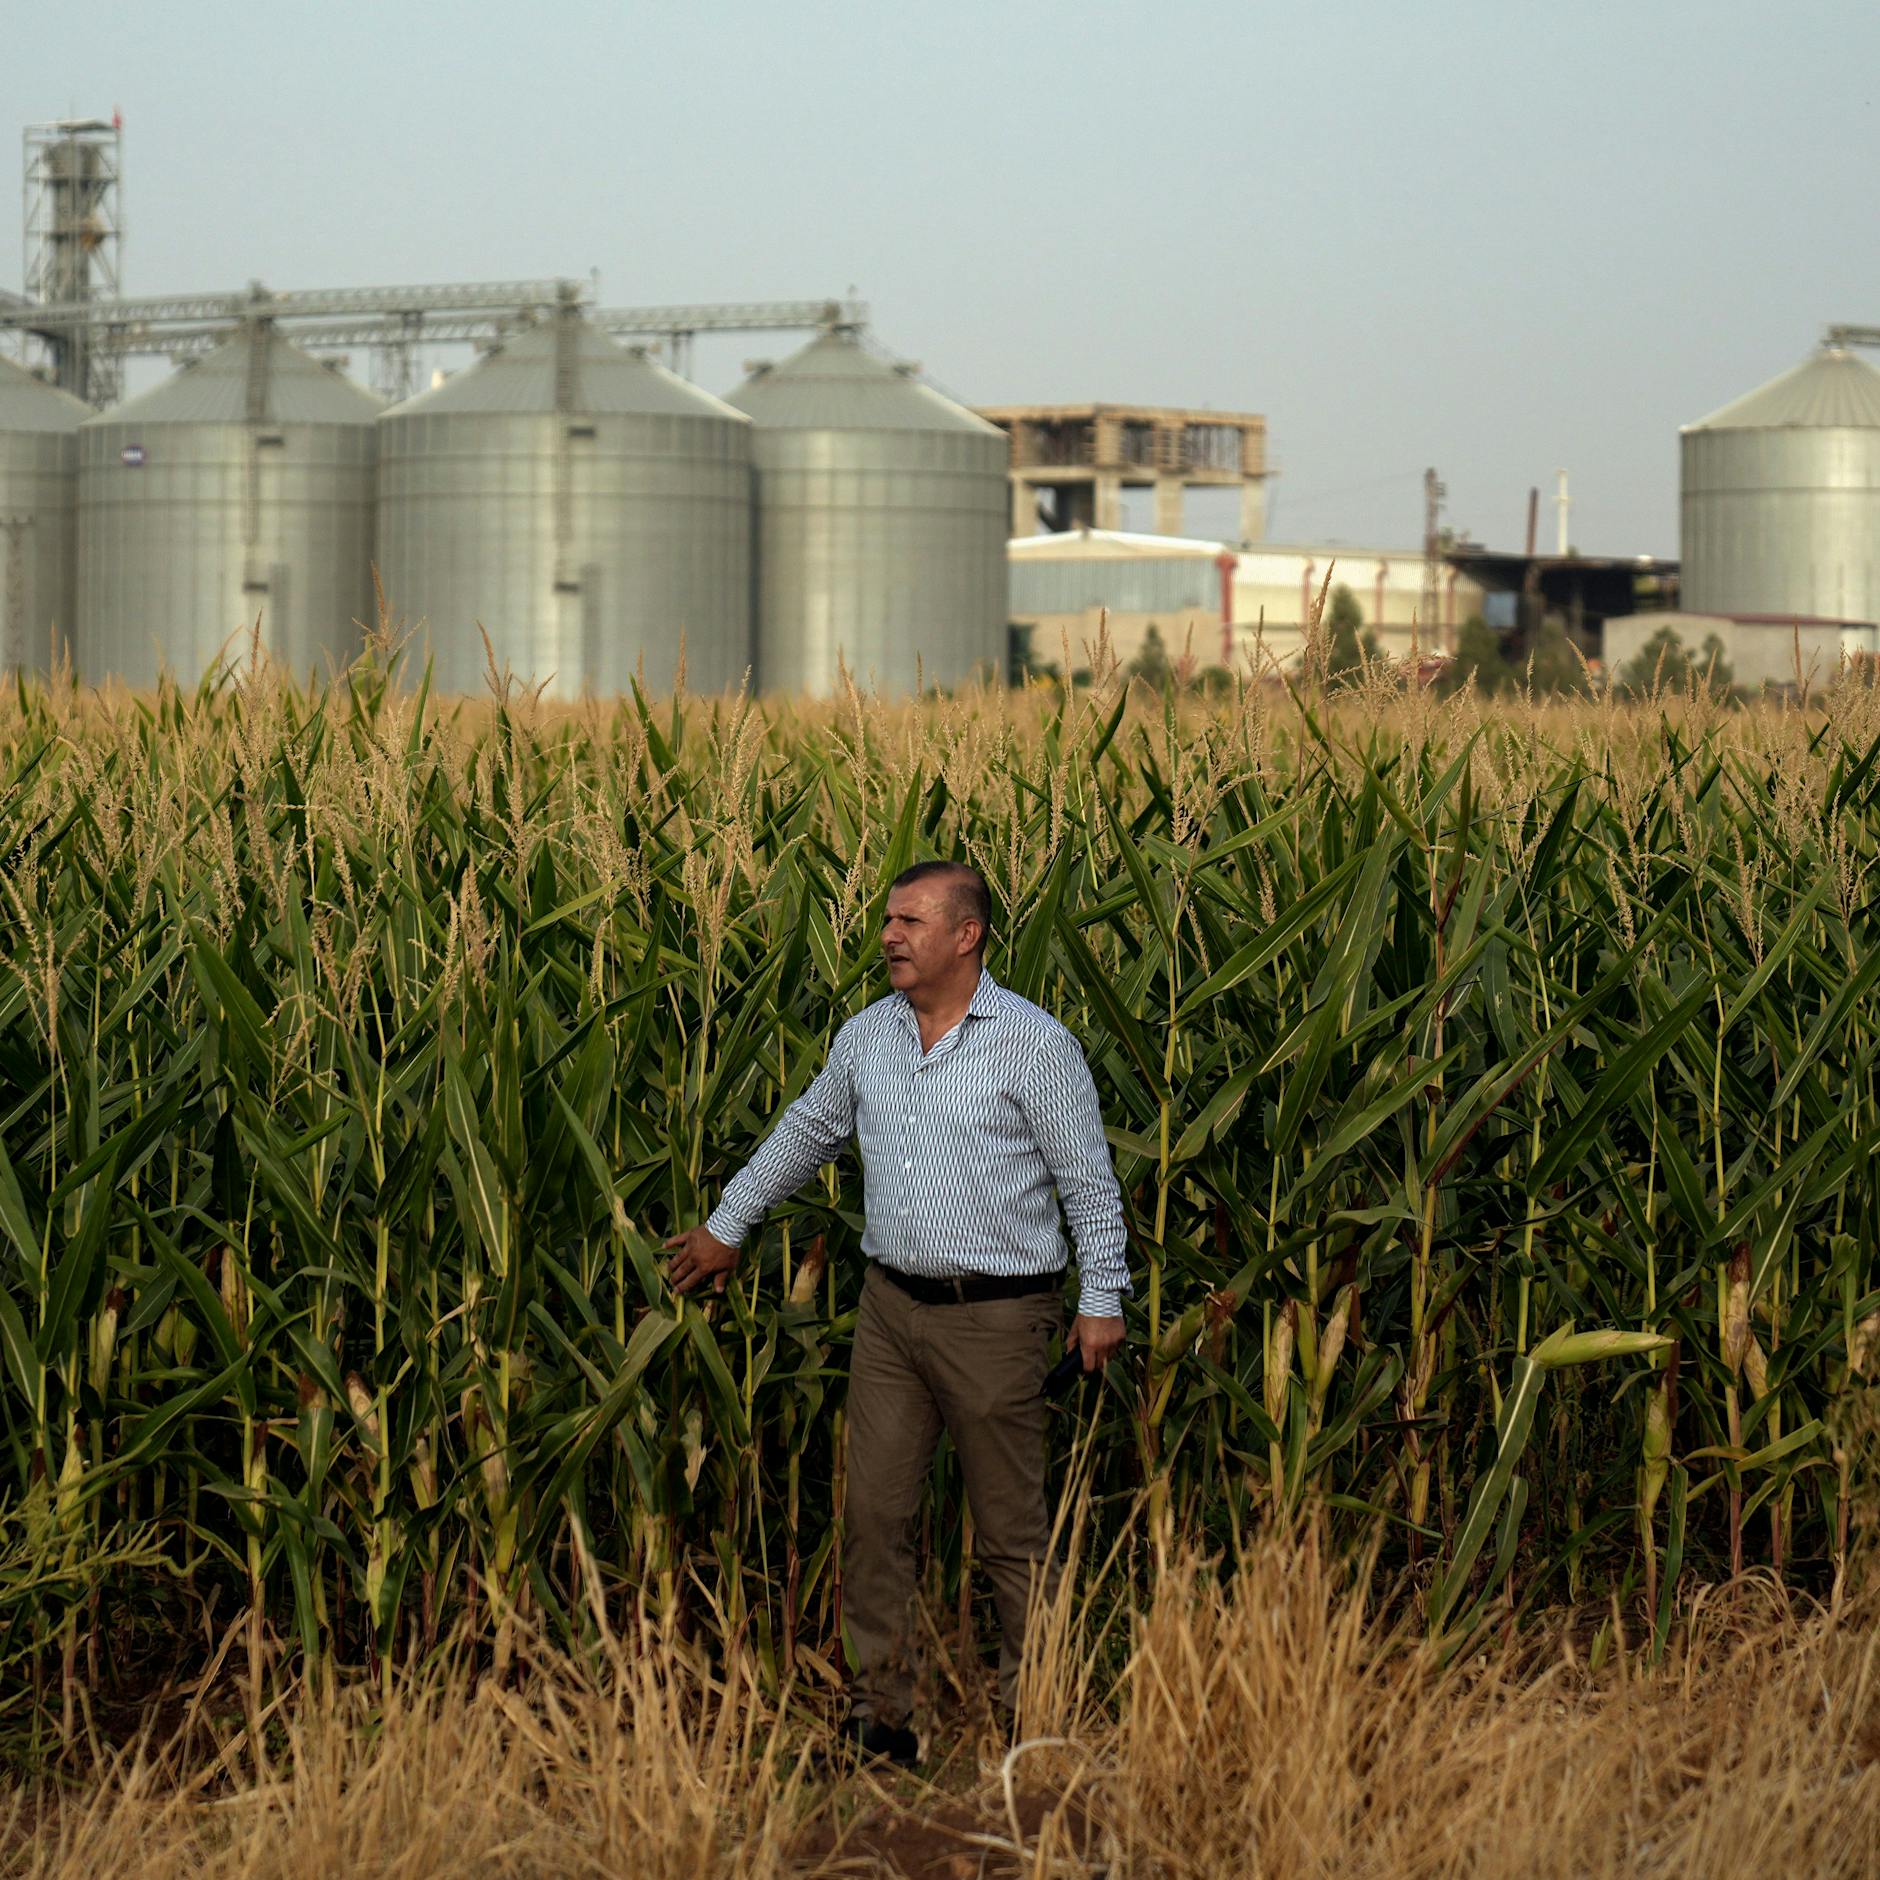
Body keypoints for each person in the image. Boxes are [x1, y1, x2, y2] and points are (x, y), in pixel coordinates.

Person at [664, 859, 1129, 1765]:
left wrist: (1101, 1299)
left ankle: (1034, 1725)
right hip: (889, 1314)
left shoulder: (1034, 1045)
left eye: (911, 921)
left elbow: (1088, 1182)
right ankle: (883, 1722)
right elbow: (808, 1131)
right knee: (874, 1517)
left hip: (996, 1320)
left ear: (968, 935)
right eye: (887, 920)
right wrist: (728, 1225)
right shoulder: (867, 1037)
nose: (888, 936)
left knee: (1011, 1535)